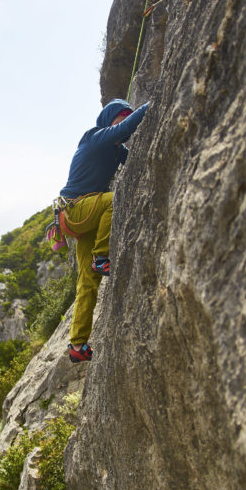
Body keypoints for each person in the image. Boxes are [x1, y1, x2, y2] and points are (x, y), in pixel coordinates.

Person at [59, 98, 149, 363]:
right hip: (74, 210)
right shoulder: (94, 137)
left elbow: (136, 162)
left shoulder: (114, 150)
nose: (123, 123)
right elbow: (124, 130)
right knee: (114, 198)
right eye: (120, 118)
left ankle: (77, 344)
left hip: (85, 217)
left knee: (87, 283)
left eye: (125, 117)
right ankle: (101, 257)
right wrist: (150, 105)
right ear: (109, 120)